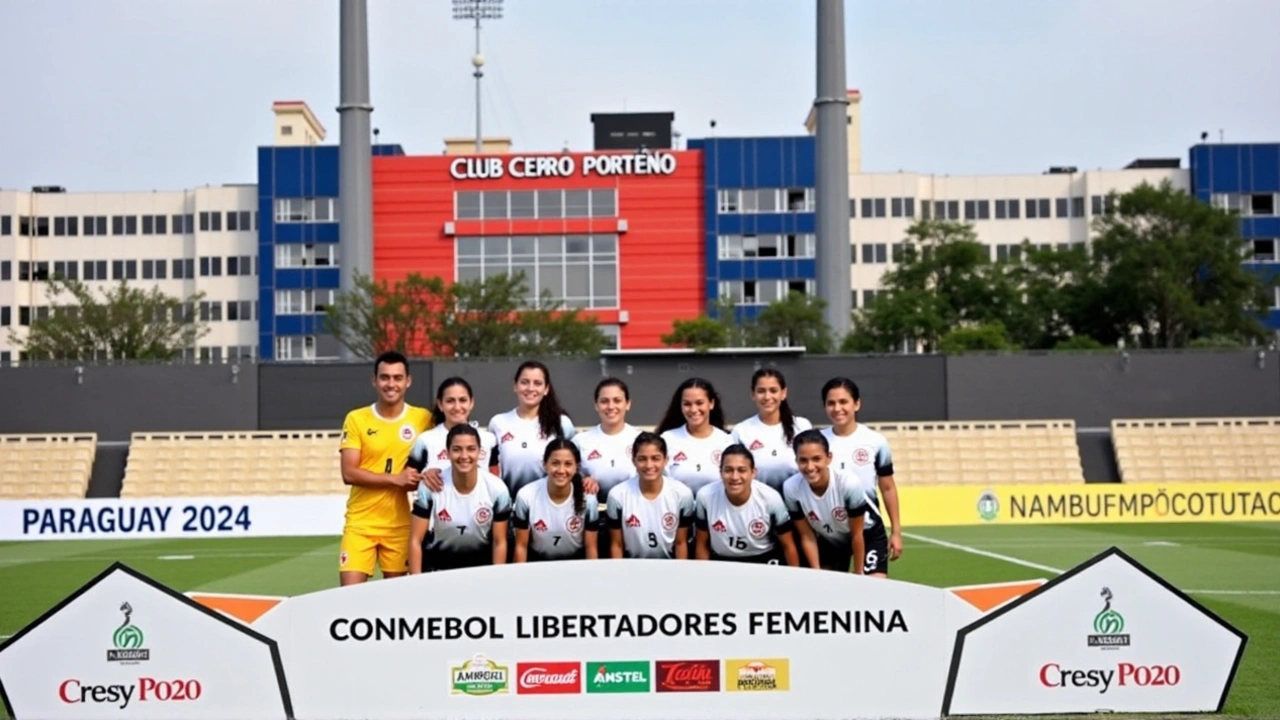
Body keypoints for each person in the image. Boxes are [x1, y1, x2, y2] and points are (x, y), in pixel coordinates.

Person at [336, 350, 434, 586]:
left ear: (408, 381)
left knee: (396, 601)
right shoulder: (357, 418)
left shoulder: (423, 418)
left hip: (400, 524)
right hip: (360, 523)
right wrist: (395, 479)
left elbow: (441, 450)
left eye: (397, 377)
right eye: (385, 377)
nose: (391, 384)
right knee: (348, 598)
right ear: (374, 380)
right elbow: (348, 473)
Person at [819, 377, 903, 578]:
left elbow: (888, 487)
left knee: (874, 592)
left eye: (843, 402)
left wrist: (897, 532)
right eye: (831, 403)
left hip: (868, 529)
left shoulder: (875, 442)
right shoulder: (818, 442)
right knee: (826, 595)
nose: (837, 408)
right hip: (831, 534)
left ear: (857, 404)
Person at [408, 424, 511, 573]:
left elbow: (499, 542)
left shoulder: (498, 489)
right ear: (447, 453)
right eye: (457, 449)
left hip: (481, 570)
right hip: (439, 569)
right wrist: (415, 583)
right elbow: (415, 540)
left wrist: (495, 578)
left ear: (479, 452)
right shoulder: (430, 486)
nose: (464, 456)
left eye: (471, 449)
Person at [782, 429, 874, 574]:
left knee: (871, 585)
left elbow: (857, 534)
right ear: (796, 461)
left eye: (816, 459)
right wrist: (816, 572)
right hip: (831, 540)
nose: (810, 467)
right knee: (827, 588)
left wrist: (858, 573)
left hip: (866, 535)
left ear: (828, 458)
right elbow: (807, 536)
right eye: (803, 460)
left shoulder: (848, 484)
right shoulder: (791, 488)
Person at [694, 444, 800, 566]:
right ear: (720, 472)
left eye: (741, 470)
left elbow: (788, 545)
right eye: (728, 470)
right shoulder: (705, 496)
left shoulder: (770, 498)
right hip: (722, 560)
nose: (734, 477)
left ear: (753, 472)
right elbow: (702, 544)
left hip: (763, 559)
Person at [488, 360, 578, 496]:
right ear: (515, 385)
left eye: (537, 383)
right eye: (524, 382)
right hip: (509, 507)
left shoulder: (561, 423)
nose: (530, 388)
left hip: (547, 505)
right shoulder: (498, 423)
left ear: (546, 389)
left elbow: (576, 464)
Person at [605, 432, 695, 559]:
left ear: (666, 460)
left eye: (655, 458)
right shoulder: (617, 495)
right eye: (642, 459)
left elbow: (681, 543)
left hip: (669, 566)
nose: (649, 465)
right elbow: (617, 545)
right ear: (633, 461)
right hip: (631, 566)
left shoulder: (682, 494)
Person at [512, 439, 600, 562]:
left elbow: (591, 547)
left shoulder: (588, 500)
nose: (561, 470)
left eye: (568, 464)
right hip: (537, 562)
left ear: (577, 467)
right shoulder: (526, 496)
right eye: (555, 463)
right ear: (545, 464)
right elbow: (521, 546)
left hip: (575, 562)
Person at [728, 369, 813, 493]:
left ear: (783, 393)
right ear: (752, 394)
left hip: (798, 500)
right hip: (758, 503)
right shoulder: (741, 431)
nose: (767, 397)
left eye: (773, 391)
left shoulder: (801, 426)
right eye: (761, 391)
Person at [655, 378, 733, 497]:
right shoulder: (667, 439)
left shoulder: (726, 441)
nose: (693, 409)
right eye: (687, 404)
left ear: (711, 404)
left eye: (699, 403)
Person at [406, 376, 498, 475]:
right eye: (450, 401)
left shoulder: (488, 440)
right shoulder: (425, 441)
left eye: (463, 400)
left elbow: (495, 478)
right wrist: (425, 476)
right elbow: (410, 479)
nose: (457, 407)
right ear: (440, 404)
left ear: (471, 403)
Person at [573, 377, 642, 499]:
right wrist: (582, 481)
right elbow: (568, 475)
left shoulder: (641, 439)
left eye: (617, 400)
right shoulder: (581, 441)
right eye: (604, 401)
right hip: (593, 511)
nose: (611, 406)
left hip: (633, 507)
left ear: (628, 404)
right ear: (596, 405)